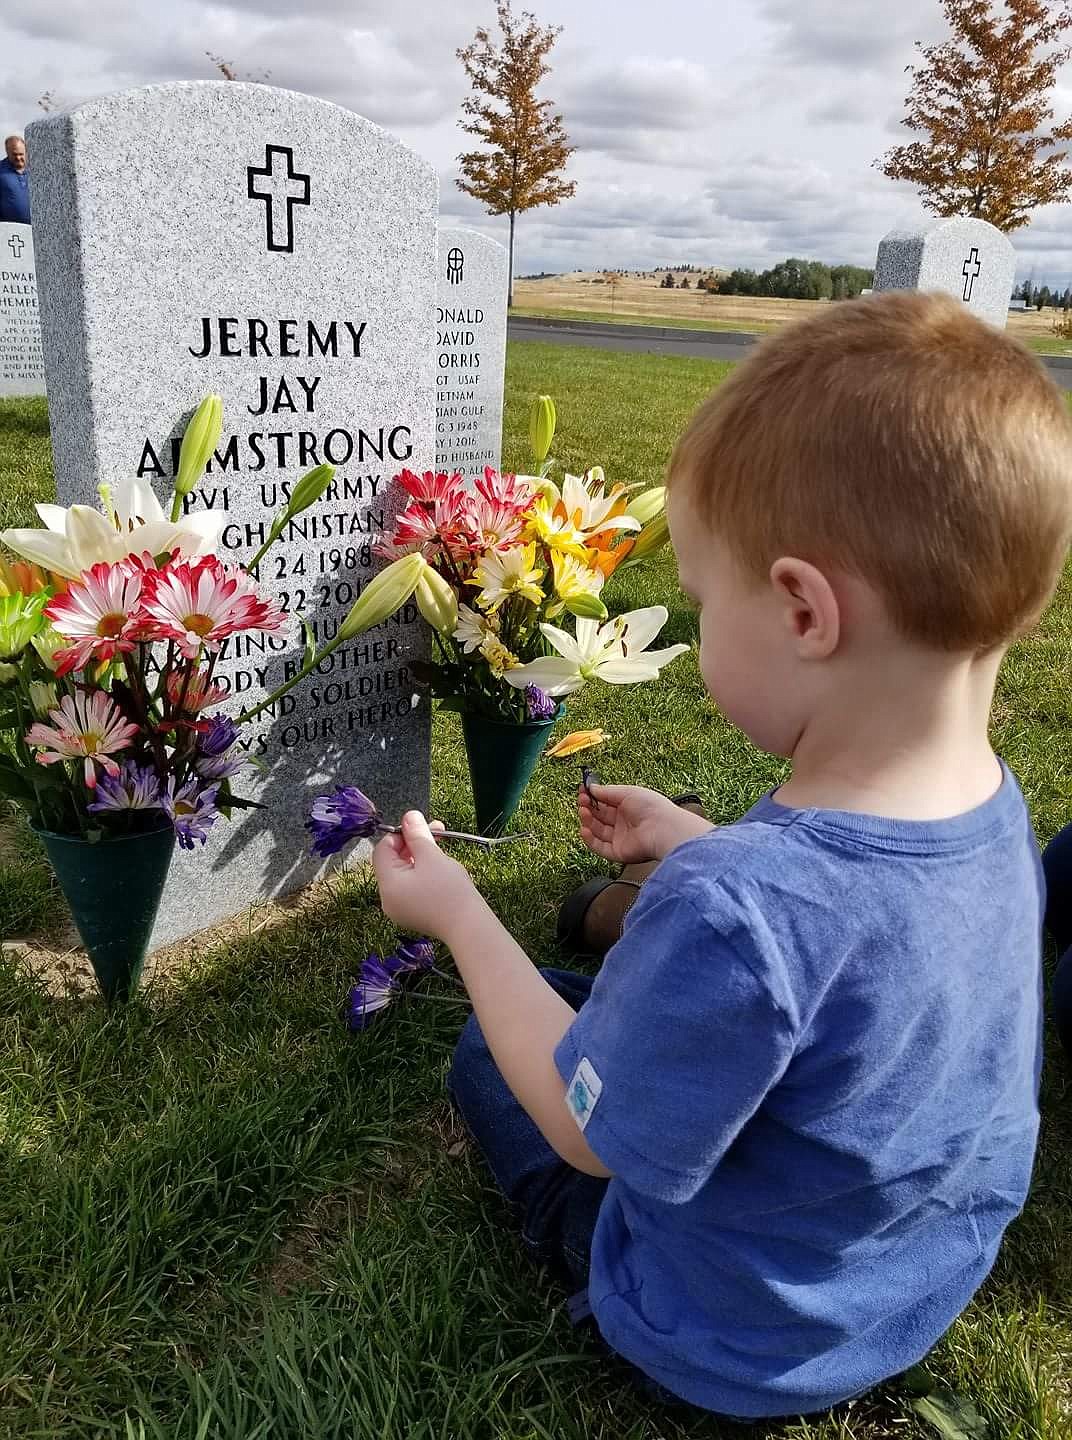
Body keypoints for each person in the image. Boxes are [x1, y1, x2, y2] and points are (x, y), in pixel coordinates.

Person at [373, 292, 1072, 1420]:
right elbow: (864, 941)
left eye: (701, 603)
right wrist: (696, 840)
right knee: (589, 996)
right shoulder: (991, 810)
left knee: (492, 1044)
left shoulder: (736, 903)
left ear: (801, 611)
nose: (696, 628)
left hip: (728, 1332)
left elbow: (581, 1132)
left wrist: (457, 914)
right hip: (901, 1283)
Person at [0, 135, 30, 224]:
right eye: (14, 154)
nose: (18, 158)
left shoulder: (37, 170)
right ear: (7, 152)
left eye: (21, 154)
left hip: (35, 229)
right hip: (9, 231)